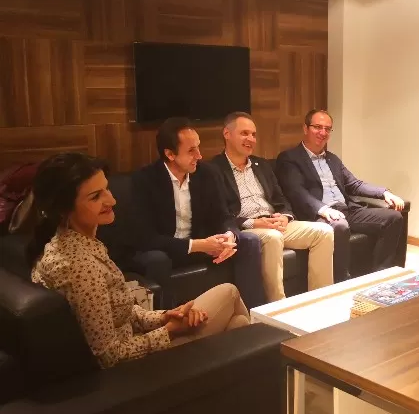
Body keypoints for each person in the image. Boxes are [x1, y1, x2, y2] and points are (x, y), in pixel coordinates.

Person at [28, 153, 250, 369]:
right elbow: (108, 356)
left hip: (138, 338)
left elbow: (122, 312)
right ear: (64, 210)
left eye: (106, 189)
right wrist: (170, 330)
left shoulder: (80, 243)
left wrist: (165, 316)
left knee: (238, 325)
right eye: (95, 197)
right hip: (135, 367)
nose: (112, 200)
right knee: (229, 294)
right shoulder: (79, 266)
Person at [131, 117, 267, 309]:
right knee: (157, 259)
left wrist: (229, 236)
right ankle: (168, 322)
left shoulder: (207, 173)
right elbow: (146, 237)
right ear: (170, 154)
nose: (199, 155)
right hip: (167, 249)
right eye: (191, 151)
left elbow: (224, 216)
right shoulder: (145, 180)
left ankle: (255, 313)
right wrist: (198, 245)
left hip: (201, 244)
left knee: (249, 241)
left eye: (198, 147)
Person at [210, 112, 334, 302]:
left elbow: (280, 198)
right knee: (273, 237)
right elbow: (220, 213)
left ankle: (321, 300)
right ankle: (276, 306)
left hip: (274, 222)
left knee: (324, 231)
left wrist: (285, 216)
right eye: (244, 133)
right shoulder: (213, 169)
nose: (251, 139)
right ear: (227, 134)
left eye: (253, 134)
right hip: (248, 228)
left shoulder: (261, 164)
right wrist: (254, 223)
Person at [276, 109, 405, 282]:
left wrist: (384, 193)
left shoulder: (333, 159)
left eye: (327, 129)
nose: (323, 132)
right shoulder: (289, 158)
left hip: (347, 209)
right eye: (317, 127)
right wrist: (323, 209)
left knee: (394, 218)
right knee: (339, 226)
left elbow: (354, 184)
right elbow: (296, 191)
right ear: (305, 128)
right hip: (319, 214)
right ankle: (341, 280)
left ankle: (381, 276)